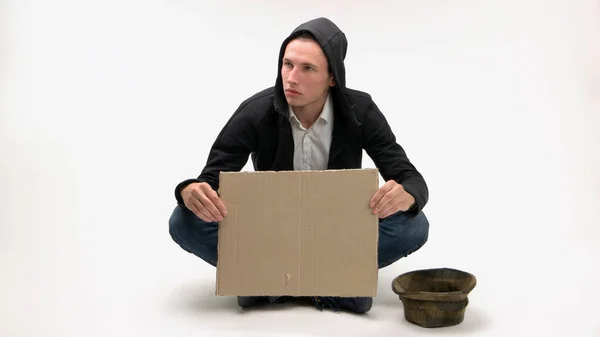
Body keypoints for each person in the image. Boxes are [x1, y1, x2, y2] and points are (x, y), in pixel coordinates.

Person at [168, 17, 430, 314]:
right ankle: (316, 285)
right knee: (183, 220)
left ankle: (277, 287)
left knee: (415, 224)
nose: (291, 78)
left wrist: (406, 195)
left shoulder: (361, 111)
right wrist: (190, 191)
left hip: (336, 234)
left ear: (333, 77)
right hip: (269, 236)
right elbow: (209, 180)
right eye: (287, 64)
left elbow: (411, 179)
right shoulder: (255, 112)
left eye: (307, 68)